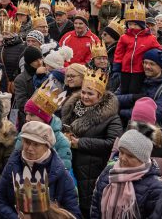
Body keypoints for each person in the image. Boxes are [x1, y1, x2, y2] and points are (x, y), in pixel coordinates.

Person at [60, 68, 123, 217]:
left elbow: (113, 144)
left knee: (85, 209)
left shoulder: (111, 118)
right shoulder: (71, 109)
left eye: (90, 94)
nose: (85, 97)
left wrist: (81, 143)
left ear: (100, 96)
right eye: (83, 92)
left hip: (92, 171)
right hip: (70, 165)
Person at [0, 120, 81, 219]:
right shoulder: (12, 165)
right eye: (27, 142)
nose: (30, 148)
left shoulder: (61, 173)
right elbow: (0, 200)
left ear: (47, 146)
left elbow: (73, 212)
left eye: (36, 144)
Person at [90, 129, 162, 219]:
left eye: (130, 156)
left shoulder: (156, 187)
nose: (123, 158)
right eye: (121, 152)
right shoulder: (109, 172)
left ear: (142, 158)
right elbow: (96, 208)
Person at [116, 48, 162, 129]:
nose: (147, 66)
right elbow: (113, 100)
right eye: (145, 62)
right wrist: (132, 97)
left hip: (148, 135)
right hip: (120, 129)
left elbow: (152, 115)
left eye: (152, 64)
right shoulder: (131, 80)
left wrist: (120, 112)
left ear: (161, 67)